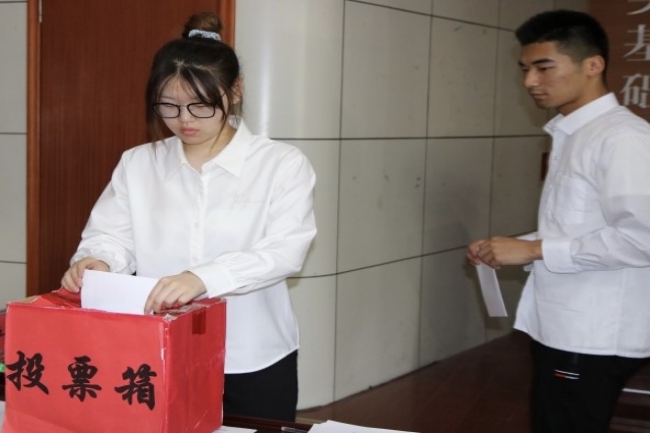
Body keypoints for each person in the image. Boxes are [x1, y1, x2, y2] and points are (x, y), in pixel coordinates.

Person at [61, 11, 317, 422]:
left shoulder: (281, 164)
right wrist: (98, 261)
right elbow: (111, 235)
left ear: (235, 90)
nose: (184, 120)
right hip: (158, 348)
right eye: (169, 106)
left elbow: (285, 251)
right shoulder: (139, 163)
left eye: (200, 105)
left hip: (252, 352)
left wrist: (202, 278)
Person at [466, 9, 650, 433]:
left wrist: (533, 249)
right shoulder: (575, 133)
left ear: (593, 65)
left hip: (594, 333)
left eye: (544, 67)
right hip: (568, 326)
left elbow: (641, 238)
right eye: (525, 69)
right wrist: (509, 246)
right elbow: (581, 225)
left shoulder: (622, 139)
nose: (530, 81)